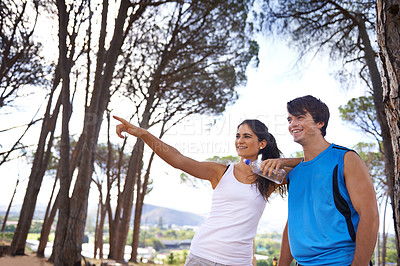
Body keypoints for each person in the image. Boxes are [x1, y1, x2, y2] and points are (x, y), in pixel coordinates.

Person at [113, 115, 299, 266]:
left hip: (239, 262)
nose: (240, 141)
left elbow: (308, 163)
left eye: (247, 136)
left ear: (262, 144)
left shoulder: (269, 178)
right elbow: (178, 160)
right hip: (203, 256)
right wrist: (144, 134)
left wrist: (282, 162)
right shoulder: (220, 172)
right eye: (237, 136)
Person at [278, 95, 379, 266]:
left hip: (341, 262)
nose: (292, 124)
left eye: (300, 117)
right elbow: (293, 225)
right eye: (290, 119)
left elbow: (369, 216)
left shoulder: (346, 159)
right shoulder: (294, 173)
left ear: (320, 123)